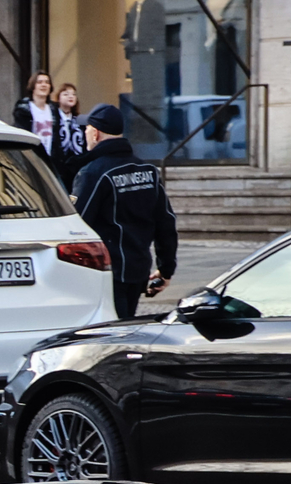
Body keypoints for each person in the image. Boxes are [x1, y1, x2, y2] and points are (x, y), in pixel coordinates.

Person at [69, 104, 177, 322]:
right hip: (138, 269)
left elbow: (77, 226)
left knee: (109, 333)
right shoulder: (147, 171)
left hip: (107, 273)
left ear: (96, 132)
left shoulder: (93, 173)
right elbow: (165, 223)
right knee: (125, 325)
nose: (84, 133)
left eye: (86, 128)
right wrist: (165, 270)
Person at [11, 71, 59, 161]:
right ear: (33, 86)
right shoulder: (23, 109)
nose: (44, 85)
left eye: (47, 82)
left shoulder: (54, 109)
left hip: (51, 158)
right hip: (31, 158)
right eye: (39, 82)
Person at [51, 83, 90, 181]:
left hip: (77, 169)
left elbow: (85, 145)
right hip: (57, 168)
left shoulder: (81, 121)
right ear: (58, 98)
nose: (71, 97)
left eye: (73, 94)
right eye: (66, 94)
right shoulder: (52, 120)